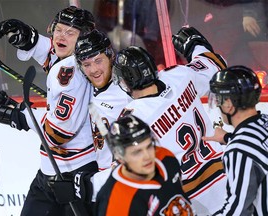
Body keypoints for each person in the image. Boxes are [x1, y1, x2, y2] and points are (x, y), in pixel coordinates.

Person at [0, 6, 97, 216]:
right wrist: (30, 39)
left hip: (75, 176)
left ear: (83, 39)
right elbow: (56, 53)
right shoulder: (82, 59)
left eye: (70, 32)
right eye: (59, 29)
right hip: (52, 171)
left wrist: (16, 115)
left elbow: (58, 133)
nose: (61, 36)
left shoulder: (72, 75)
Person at [112, 27, 228, 215]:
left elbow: (126, 178)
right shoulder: (179, 76)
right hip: (226, 181)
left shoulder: (134, 120)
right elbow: (216, 64)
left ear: (125, 81)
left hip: (190, 201)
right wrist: (196, 46)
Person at [95, 114, 195, 216]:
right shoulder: (114, 203)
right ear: (120, 157)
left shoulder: (166, 157)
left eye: (149, 146)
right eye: (137, 152)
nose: (147, 156)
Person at [202, 65, 268, 215]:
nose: (218, 105)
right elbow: (258, 149)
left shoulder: (239, 150)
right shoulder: (264, 121)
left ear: (229, 105)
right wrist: (227, 137)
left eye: (219, 99)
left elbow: (237, 211)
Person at [75, 29, 131, 171]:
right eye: (86, 64)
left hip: (123, 176)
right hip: (101, 175)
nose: (93, 70)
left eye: (98, 61)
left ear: (110, 56)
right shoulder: (87, 89)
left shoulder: (127, 92)